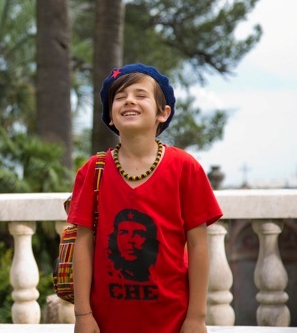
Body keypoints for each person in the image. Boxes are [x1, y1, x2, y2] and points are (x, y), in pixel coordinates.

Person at [68, 64, 222, 333]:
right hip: (106, 322)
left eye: (140, 95)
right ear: (111, 117)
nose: (129, 100)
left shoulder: (185, 169)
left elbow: (198, 246)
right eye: (120, 97)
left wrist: (196, 317)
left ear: (163, 113)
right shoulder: (93, 171)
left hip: (172, 321)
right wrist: (83, 314)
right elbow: (83, 244)